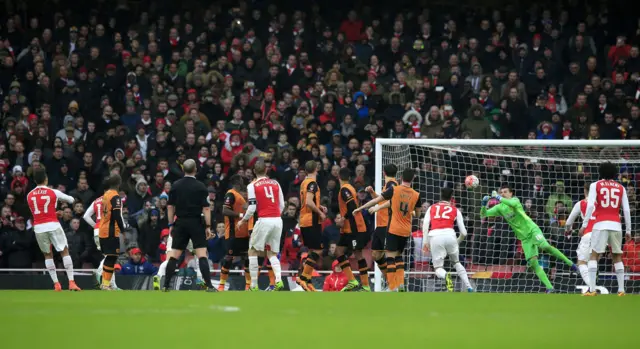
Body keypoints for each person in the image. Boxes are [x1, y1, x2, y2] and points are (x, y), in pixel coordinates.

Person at [480, 186, 577, 293]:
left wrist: (497, 197)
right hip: (524, 238)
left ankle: (571, 264)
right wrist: (484, 204)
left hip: (532, 230)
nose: (503, 194)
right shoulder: (499, 208)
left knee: (545, 246)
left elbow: (511, 204)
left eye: (505, 192)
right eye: (501, 192)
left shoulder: (515, 200)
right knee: (533, 263)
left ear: (511, 194)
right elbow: (484, 214)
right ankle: (550, 288)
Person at [356, 169, 422, 291]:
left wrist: (362, 208)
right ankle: (400, 284)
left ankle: (392, 287)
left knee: (390, 257)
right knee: (398, 256)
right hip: (406, 230)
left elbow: (377, 200)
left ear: (401, 177)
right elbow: (417, 214)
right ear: (413, 179)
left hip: (393, 228)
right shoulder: (416, 195)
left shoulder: (394, 189)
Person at [163, 159, 215, 292]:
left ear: (183, 170)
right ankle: (209, 285)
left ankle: (165, 285)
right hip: (196, 222)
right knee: (202, 254)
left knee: (174, 254)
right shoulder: (201, 186)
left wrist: (170, 224)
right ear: (195, 170)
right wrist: (208, 226)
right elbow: (206, 209)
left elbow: (170, 206)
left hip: (180, 222)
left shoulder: (175, 185)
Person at [581, 162, 632, 296]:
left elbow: (591, 205)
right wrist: (628, 230)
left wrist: (584, 224)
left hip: (600, 224)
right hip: (616, 225)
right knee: (617, 256)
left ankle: (592, 290)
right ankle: (621, 290)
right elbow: (626, 210)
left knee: (594, 255)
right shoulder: (621, 187)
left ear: (600, 172)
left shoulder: (595, 185)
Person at [27, 168, 80, 291]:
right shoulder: (53, 192)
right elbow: (71, 200)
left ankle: (56, 284)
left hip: (39, 227)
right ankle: (71, 282)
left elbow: (38, 213)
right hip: (53, 225)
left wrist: (53, 213)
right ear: (46, 179)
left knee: (47, 255)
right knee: (64, 251)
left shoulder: (29, 195)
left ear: (35, 180)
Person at [238, 159, 285, 291]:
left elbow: (252, 207)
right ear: (266, 170)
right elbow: (282, 204)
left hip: (264, 220)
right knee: (272, 253)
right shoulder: (275, 183)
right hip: (277, 220)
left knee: (252, 250)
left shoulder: (252, 186)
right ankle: (279, 280)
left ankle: (253, 285)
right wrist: (276, 215)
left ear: (254, 171)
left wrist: (243, 220)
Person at [421, 188, 473, 292]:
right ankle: (469, 287)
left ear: (440, 195)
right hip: (450, 235)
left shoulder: (432, 207)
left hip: (435, 236)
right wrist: (457, 241)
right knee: (457, 262)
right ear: (451, 197)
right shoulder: (455, 210)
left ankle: (445, 275)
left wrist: (425, 242)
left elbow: (425, 225)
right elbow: (464, 233)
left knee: (438, 268)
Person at [336, 167, 369, 291]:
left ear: (339, 177)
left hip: (354, 227)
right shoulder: (349, 188)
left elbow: (352, 207)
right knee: (338, 251)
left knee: (358, 254)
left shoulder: (345, 190)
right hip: (348, 228)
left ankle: (365, 285)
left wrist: (343, 218)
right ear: (349, 178)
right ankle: (352, 280)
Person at [296, 160, 327, 291]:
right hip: (311, 221)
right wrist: (320, 212)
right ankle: (303, 278)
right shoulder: (312, 184)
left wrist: (319, 206)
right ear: (316, 169)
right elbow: (308, 202)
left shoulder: (304, 182)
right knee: (318, 250)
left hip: (304, 220)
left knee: (311, 251)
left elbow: (306, 202)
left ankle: (307, 281)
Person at [365, 163, 398, 285]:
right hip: (380, 225)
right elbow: (382, 200)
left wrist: (377, 209)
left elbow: (393, 201)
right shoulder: (388, 185)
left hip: (387, 225)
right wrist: (372, 193)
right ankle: (390, 281)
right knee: (376, 255)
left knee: (390, 256)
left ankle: (395, 283)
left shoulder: (392, 184)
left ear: (384, 172)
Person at [219, 174, 251, 291]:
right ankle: (221, 284)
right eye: (242, 181)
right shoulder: (231, 193)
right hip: (233, 233)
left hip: (244, 233)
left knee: (247, 257)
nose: (243, 183)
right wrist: (241, 215)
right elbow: (225, 210)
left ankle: (248, 285)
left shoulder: (240, 196)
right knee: (229, 257)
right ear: (237, 182)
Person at [154, 215, 203, 290]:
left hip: (176, 235)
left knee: (169, 260)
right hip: (185, 235)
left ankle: (158, 276)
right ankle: (200, 281)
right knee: (199, 258)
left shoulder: (178, 211)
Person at [98, 174, 127, 290]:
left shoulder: (106, 195)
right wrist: (123, 231)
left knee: (110, 257)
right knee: (111, 257)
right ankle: (105, 284)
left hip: (103, 229)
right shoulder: (115, 197)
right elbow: (117, 216)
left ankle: (105, 283)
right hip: (110, 231)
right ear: (119, 184)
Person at [83, 194, 118, 290]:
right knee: (110, 257)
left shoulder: (96, 200)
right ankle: (99, 273)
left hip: (97, 231)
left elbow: (86, 216)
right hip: (107, 230)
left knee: (108, 256)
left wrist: (95, 226)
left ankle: (112, 285)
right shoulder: (113, 199)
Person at [564, 184, 596, 287]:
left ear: (584, 191)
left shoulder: (581, 203)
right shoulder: (601, 204)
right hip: (602, 234)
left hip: (588, 233)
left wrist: (568, 231)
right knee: (593, 260)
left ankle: (592, 287)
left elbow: (568, 222)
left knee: (581, 262)